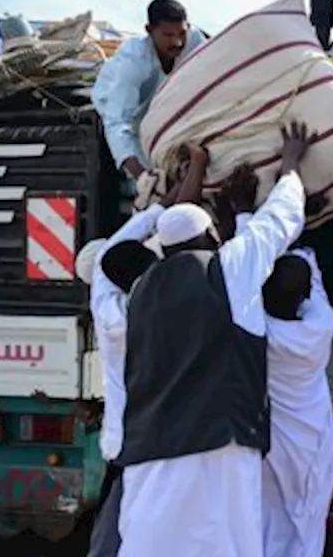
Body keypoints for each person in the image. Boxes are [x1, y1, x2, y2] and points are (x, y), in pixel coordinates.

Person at [113, 123, 313, 557]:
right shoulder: (227, 269)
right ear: (211, 238)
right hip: (218, 446)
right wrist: (292, 164)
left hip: (150, 453)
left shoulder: (137, 294)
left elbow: (110, 261)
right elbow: (278, 221)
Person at [82, 148, 208, 557]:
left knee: (121, 528)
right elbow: (180, 241)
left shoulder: (109, 313)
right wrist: (195, 174)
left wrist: (156, 211)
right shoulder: (160, 308)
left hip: (128, 441)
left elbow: (110, 260)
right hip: (152, 443)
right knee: (140, 533)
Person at [229, 184, 333, 557]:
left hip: (267, 435)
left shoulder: (257, 327)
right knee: (305, 513)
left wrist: (245, 212)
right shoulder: (321, 324)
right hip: (310, 439)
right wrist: (304, 219)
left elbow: (246, 273)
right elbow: (308, 267)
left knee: (265, 511)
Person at [92, 0, 208, 180]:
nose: (177, 42)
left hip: (164, 109)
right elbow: (118, 122)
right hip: (128, 115)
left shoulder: (195, 41)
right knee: (146, 181)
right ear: (149, 31)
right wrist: (142, 178)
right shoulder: (132, 62)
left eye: (181, 33)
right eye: (168, 35)